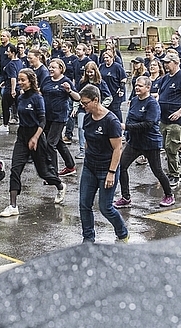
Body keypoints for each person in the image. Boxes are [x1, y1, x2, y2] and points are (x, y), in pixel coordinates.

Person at [0, 68, 65, 217]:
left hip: (37, 136)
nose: (20, 83)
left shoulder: (37, 98)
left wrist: (35, 138)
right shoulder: (21, 98)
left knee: (43, 172)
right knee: (15, 169)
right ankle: (13, 205)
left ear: (30, 81)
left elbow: (42, 121)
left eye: (23, 80)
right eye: (19, 80)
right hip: (22, 135)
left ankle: (60, 185)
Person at [77, 84, 129, 243]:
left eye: (85, 103)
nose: (83, 106)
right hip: (90, 167)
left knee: (105, 207)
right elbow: (87, 140)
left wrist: (111, 173)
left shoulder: (111, 121)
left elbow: (117, 149)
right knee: (84, 204)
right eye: (81, 103)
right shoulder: (87, 117)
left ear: (96, 100)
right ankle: (88, 238)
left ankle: (122, 232)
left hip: (107, 169)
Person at [114, 76, 175, 208]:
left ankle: (169, 195)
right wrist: (126, 135)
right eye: (136, 85)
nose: (136, 87)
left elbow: (148, 124)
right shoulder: (135, 100)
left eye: (140, 86)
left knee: (157, 170)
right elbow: (130, 119)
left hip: (150, 143)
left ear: (148, 88)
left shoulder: (152, 104)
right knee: (122, 166)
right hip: (135, 143)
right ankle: (125, 197)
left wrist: (126, 127)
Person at [157, 52, 181, 186]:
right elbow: (160, 94)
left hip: (177, 120)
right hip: (164, 118)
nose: (166, 65)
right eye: (165, 62)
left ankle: (176, 174)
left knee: (172, 147)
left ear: (176, 62)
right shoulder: (165, 78)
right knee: (165, 147)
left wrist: (180, 112)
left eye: (168, 62)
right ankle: (173, 171)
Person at [40, 58, 80, 177]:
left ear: (61, 69)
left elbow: (77, 97)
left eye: (53, 67)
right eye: (50, 67)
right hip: (47, 116)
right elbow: (41, 92)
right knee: (58, 143)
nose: (50, 69)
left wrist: (69, 91)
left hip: (59, 116)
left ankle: (52, 173)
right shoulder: (47, 80)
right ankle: (70, 166)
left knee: (50, 143)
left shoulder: (66, 81)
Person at [73, 61, 112, 159]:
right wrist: (75, 107)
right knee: (81, 127)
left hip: (96, 110)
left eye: (91, 72)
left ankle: (95, 148)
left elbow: (109, 97)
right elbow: (77, 96)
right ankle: (83, 150)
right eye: (87, 72)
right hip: (83, 109)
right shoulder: (82, 82)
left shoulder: (100, 83)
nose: (89, 74)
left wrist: (101, 106)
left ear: (96, 71)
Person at [0, 44, 23, 134]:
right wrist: (5, 81)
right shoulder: (19, 62)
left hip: (11, 89)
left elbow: (13, 77)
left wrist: (12, 90)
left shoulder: (11, 64)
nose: (7, 53)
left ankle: (5, 125)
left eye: (8, 51)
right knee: (18, 107)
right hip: (17, 87)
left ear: (13, 53)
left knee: (5, 106)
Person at [99, 50, 127, 121]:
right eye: (104, 58)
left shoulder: (117, 67)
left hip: (115, 93)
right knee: (105, 111)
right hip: (105, 93)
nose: (105, 59)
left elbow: (123, 78)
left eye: (107, 58)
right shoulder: (101, 67)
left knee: (115, 111)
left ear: (112, 58)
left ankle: (120, 126)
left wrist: (121, 88)